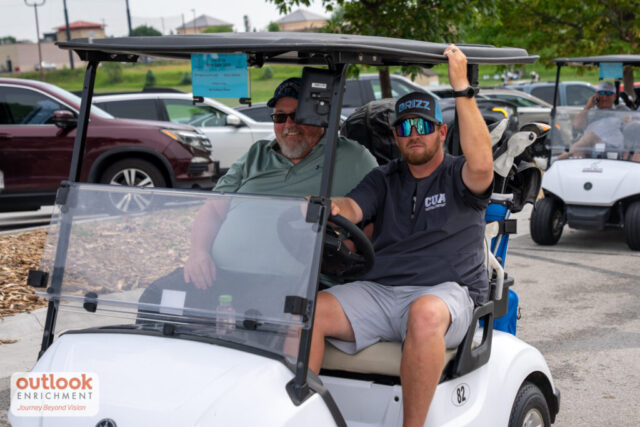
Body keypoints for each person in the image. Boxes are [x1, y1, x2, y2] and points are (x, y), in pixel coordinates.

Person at [309, 45, 493, 426]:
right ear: (396, 136)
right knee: (309, 309)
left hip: (445, 294)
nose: (414, 135)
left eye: (423, 126)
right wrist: (331, 207)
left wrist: (460, 88)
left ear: (441, 132)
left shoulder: (460, 176)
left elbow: (483, 164)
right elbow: (353, 207)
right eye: (405, 128)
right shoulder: (384, 177)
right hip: (381, 292)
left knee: (424, 314)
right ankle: (304, 415)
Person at [183, 77, 378, 288]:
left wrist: (351, 249)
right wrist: (198, 253)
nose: (288, 125)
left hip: (299, 286)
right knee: (157, 298)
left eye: (297, 116)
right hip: (221, 275)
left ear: (321, 117)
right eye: (279, 117)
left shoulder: (352, 157)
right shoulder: (257, 153)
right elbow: (213, 208)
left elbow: (382, 213)